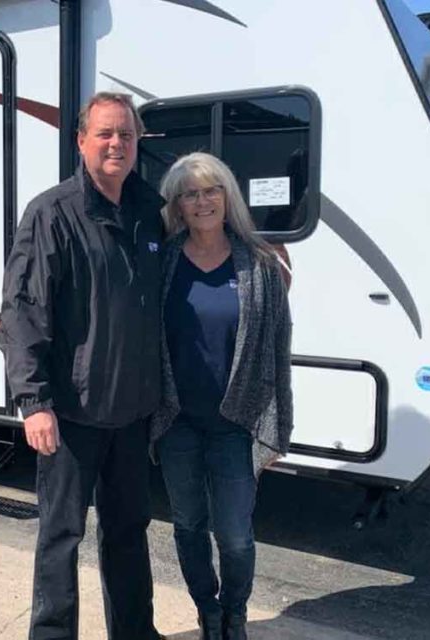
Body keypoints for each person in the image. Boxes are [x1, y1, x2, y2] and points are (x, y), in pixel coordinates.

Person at [0, 92, 165, 640]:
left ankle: (135, 632)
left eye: (126, 134)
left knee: (128, 533)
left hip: (132, 413)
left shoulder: (149, 212)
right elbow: (23, 310)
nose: (116, 143)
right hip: (70, 415)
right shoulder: (53, 213)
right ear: (81, 141)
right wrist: (33, 401)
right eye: (105, 134)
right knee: (61, 536)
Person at [150, 153, 293, 640]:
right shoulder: (164, 261)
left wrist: (279, 428)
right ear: (179, 205)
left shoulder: (259, 265)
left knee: (234, 535)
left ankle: (235, 613)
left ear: (227, 196)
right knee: (188, 527)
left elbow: (278, 351)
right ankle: (206, 612)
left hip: (235, 422)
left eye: (211, 190)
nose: (202, 200)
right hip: (177, 423)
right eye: (190, 193)